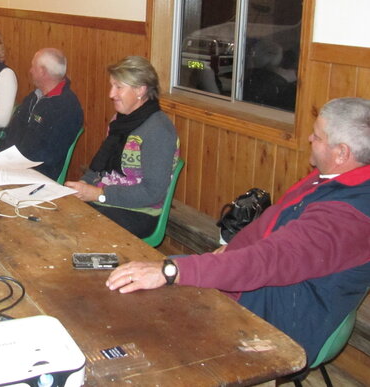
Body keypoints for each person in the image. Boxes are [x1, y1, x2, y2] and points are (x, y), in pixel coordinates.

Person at [106, 97, 370, 366]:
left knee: (150, 319)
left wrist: (172, 270)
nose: (310, 138)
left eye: (318, 136)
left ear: (342, 153)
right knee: (140, 291)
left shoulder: (349, 216)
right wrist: (231, 250)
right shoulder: (331, 179)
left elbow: (269, 260)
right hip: (265, 290)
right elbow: (272, 221)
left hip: (278, 321)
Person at [65, 56, 179, 238]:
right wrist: (84, 184)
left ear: (140, 90)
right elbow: (100, 167)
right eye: (112, 86)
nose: (111, 94)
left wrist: (99, 194)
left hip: (139, 211)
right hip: (107, 197)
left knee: (78, 230)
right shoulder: (120, 120)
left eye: (118, 87)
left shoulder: (158, 130)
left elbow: (153, 193)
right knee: (58, 213)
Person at [0, 48, 84, 180]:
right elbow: (12, 130)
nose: (30, 71)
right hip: (11, 165)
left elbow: (48, 155)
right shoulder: (34, 97)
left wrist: (11, 162)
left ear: (42, 71)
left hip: (37, 175)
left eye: (33, 67)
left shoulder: (66, 107)